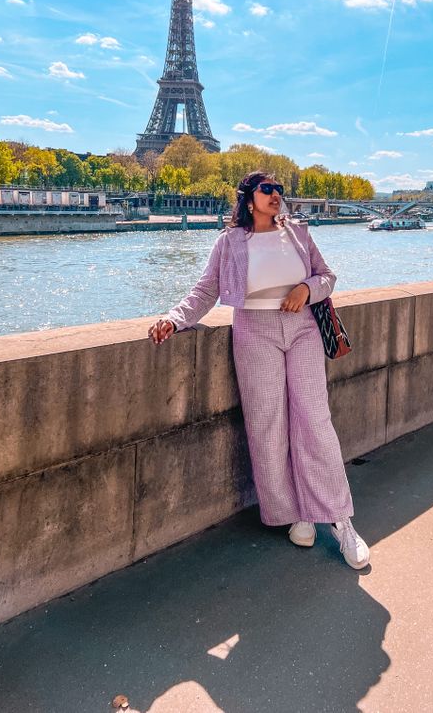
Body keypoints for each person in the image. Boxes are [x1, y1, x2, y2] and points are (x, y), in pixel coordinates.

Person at [149, 170, 370, 570]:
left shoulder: (299, 233)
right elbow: (206, 291)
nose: (275, 196)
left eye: (279, 190)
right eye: (267, 189)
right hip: (254, 330)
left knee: (315, 420)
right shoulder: (229, 241)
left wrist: (305, 290)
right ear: (248, 198)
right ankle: (296, 512)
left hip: (302, 328)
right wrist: (174, 319)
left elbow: (327, 277)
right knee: (267, 423)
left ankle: (340, 519)